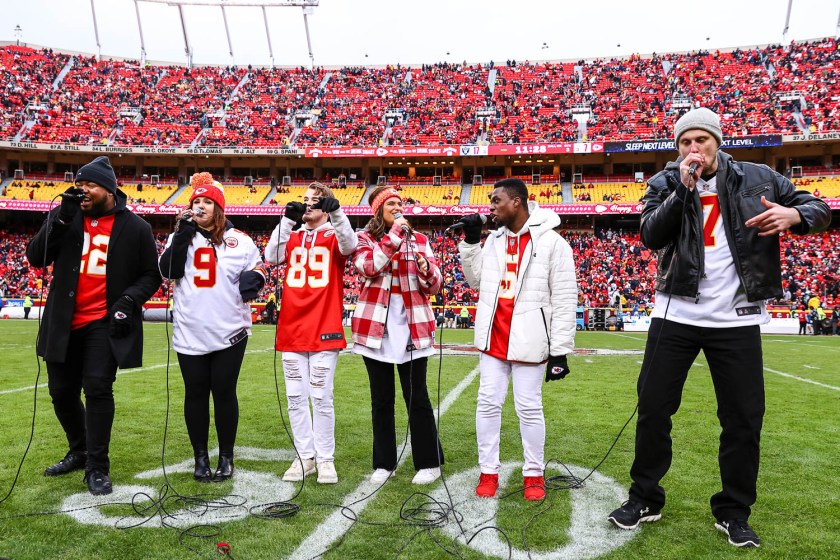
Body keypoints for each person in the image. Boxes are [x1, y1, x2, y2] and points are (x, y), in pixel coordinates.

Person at [607, 108, 831, 547]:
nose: (694, 150)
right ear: (678, 148)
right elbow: (651, 234)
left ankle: (733, 510)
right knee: (653, 409)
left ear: (717, 141)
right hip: (676, 313)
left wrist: (794, 217)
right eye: (686, 143)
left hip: (736, 317)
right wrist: (682, 192)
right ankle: (645, 497)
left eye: (702, 141)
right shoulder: (666, 182)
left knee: (743, 418)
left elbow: (817, 206)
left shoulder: (759, 177)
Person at [26, 156, 161, 495]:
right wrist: (62, 220)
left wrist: (128, 301)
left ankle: (97, 465)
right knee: (61, 393)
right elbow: (35, 256)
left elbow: (151, 275)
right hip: (63, 320)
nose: (81, 189)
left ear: (109, 189)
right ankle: (79, 448)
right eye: (79, 183)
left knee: (98, 387)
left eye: (90, 185)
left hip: (103, 322)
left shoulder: (137, 227)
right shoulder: (64, 216)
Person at [458, 178, 577, 501]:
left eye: (497, 200)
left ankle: (533, 473)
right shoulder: (494, 240)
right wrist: (470, 242)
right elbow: (475, 280)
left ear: (517, 203)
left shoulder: (552, 243)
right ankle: (488, 471)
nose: (491, 207)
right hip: (493, 338)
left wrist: (560, 351)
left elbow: (565, 298)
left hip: (530, 339)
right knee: (487, 405)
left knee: (528, 407)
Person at [159, 173, 266, 482]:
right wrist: (181, 235)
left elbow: (259, 268)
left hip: (230, 330)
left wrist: (257, 278)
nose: (200, 206)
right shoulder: (180, 237)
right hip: (190, 330)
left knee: (223, 392)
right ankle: (201, 457)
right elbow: (167, 270)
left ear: (219, 208)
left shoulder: (241, 240)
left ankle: (227, 456)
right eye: (196, 201)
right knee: (194, 394)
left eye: (207, 202)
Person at [264, 182, 357, 484]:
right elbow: (271, 256)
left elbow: (349, 246)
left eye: (314, 202)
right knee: (294, 396)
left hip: (323, 326)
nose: (307, 205)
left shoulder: (333, 234)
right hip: (292, 325)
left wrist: (338, 213)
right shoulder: (292, 235)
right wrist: (286, 221)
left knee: (321, 396)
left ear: (325, 206)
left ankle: (325, 458)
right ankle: (305, 456)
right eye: (304, 200)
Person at [351, 186, 444, 485]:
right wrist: (393, 236)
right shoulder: (364, 239)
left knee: (417, 397)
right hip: (375, 329)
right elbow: (368, 267)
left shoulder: (419, 240)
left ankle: (429, 462)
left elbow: (434, 286)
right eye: (390, 203)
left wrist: (426, 268)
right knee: (381, 400)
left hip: (412, 327)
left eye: (399, 203)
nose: (397, 206)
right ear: (379, 210)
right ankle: (384, 463)